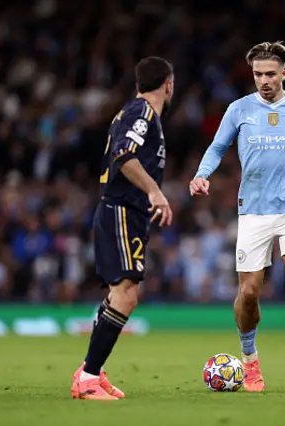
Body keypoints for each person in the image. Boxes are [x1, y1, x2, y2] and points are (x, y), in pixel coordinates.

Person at [190, 41, 285, 392]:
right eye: (257, 74)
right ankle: (250, 363)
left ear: (284, 73)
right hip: (252, 212)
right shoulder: (239, 110)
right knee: (249, 293)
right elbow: (217, 147)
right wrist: (202, 173)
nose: (263, 80)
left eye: (270, 74)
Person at [71, 56, 175, 400]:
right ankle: (87, 377)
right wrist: (155, 191)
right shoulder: (142, 113)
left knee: (123, 293)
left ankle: (92, 371)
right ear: (168, 85)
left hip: (127, 212)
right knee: (126, 294)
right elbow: (123, 154)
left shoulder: (137, 113)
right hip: (121, 209)